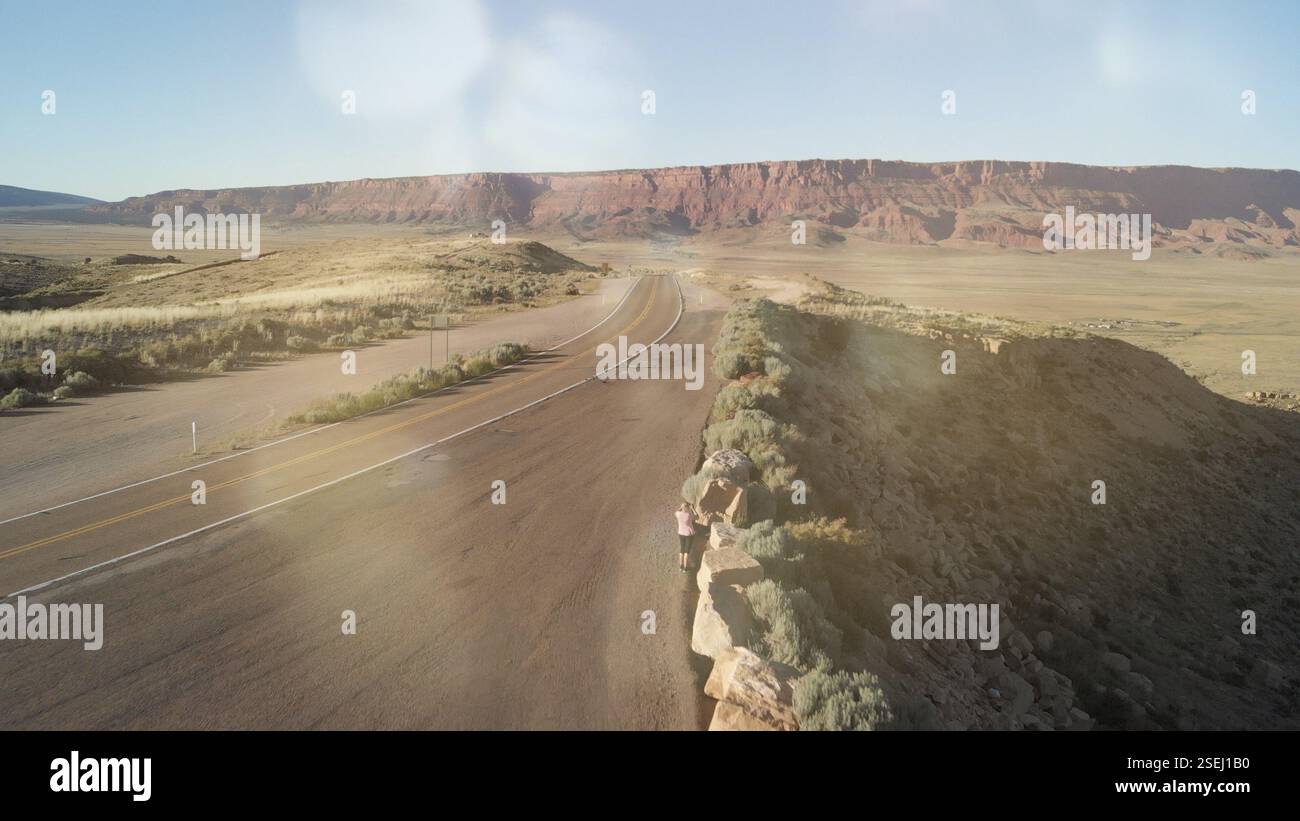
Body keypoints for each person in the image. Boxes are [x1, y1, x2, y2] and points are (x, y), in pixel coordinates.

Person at [675, 502, 697, 573]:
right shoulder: (689, 515)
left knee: (682, 550)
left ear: (682, 508)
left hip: (681, 533)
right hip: (689, 534)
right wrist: (692, 509)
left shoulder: (678, 514)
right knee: (686, 551)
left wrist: (681, 507)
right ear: (687, 508)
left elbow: (676, 511)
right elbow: (697, 517)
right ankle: (685, 567)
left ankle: (680, 566)